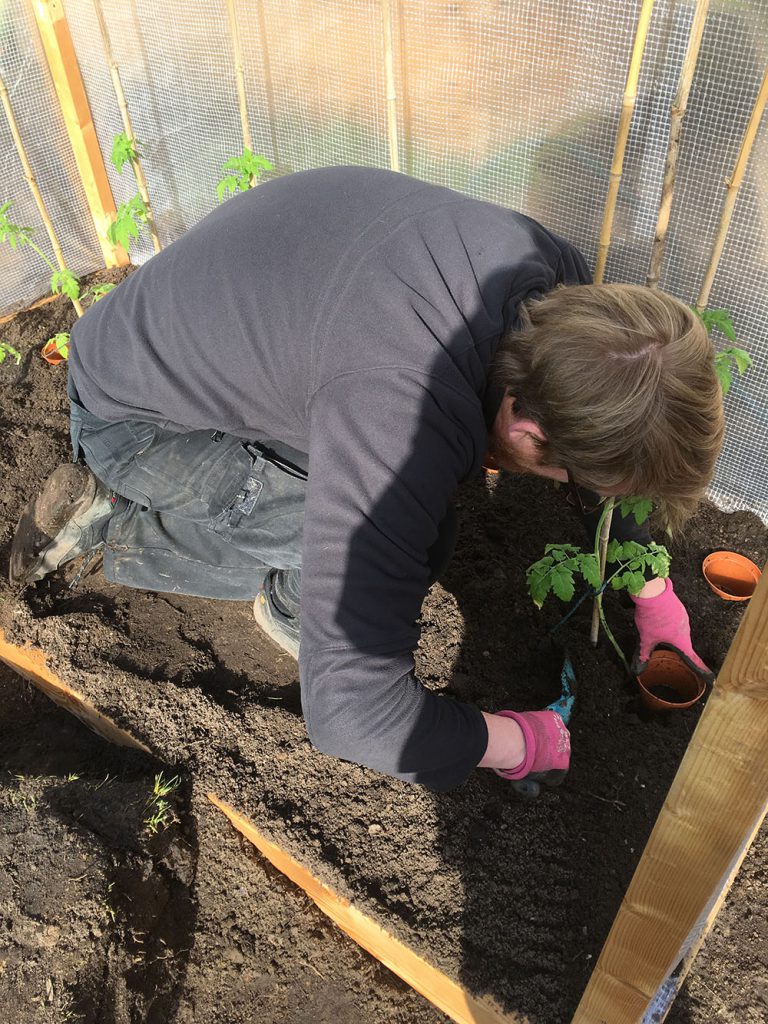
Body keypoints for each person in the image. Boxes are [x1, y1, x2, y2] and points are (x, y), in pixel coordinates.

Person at [9, 166, 724, 792]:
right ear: (529, 428)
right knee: (421, 534)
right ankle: (141, 527)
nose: (576, 492)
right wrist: (519, 741)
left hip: (211, 343)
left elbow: (613, 446)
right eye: (570, 481)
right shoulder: (399, 407)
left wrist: (651, 589)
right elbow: (354, 715)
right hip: (136, 422)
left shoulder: (558, 286)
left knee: (416, 516)